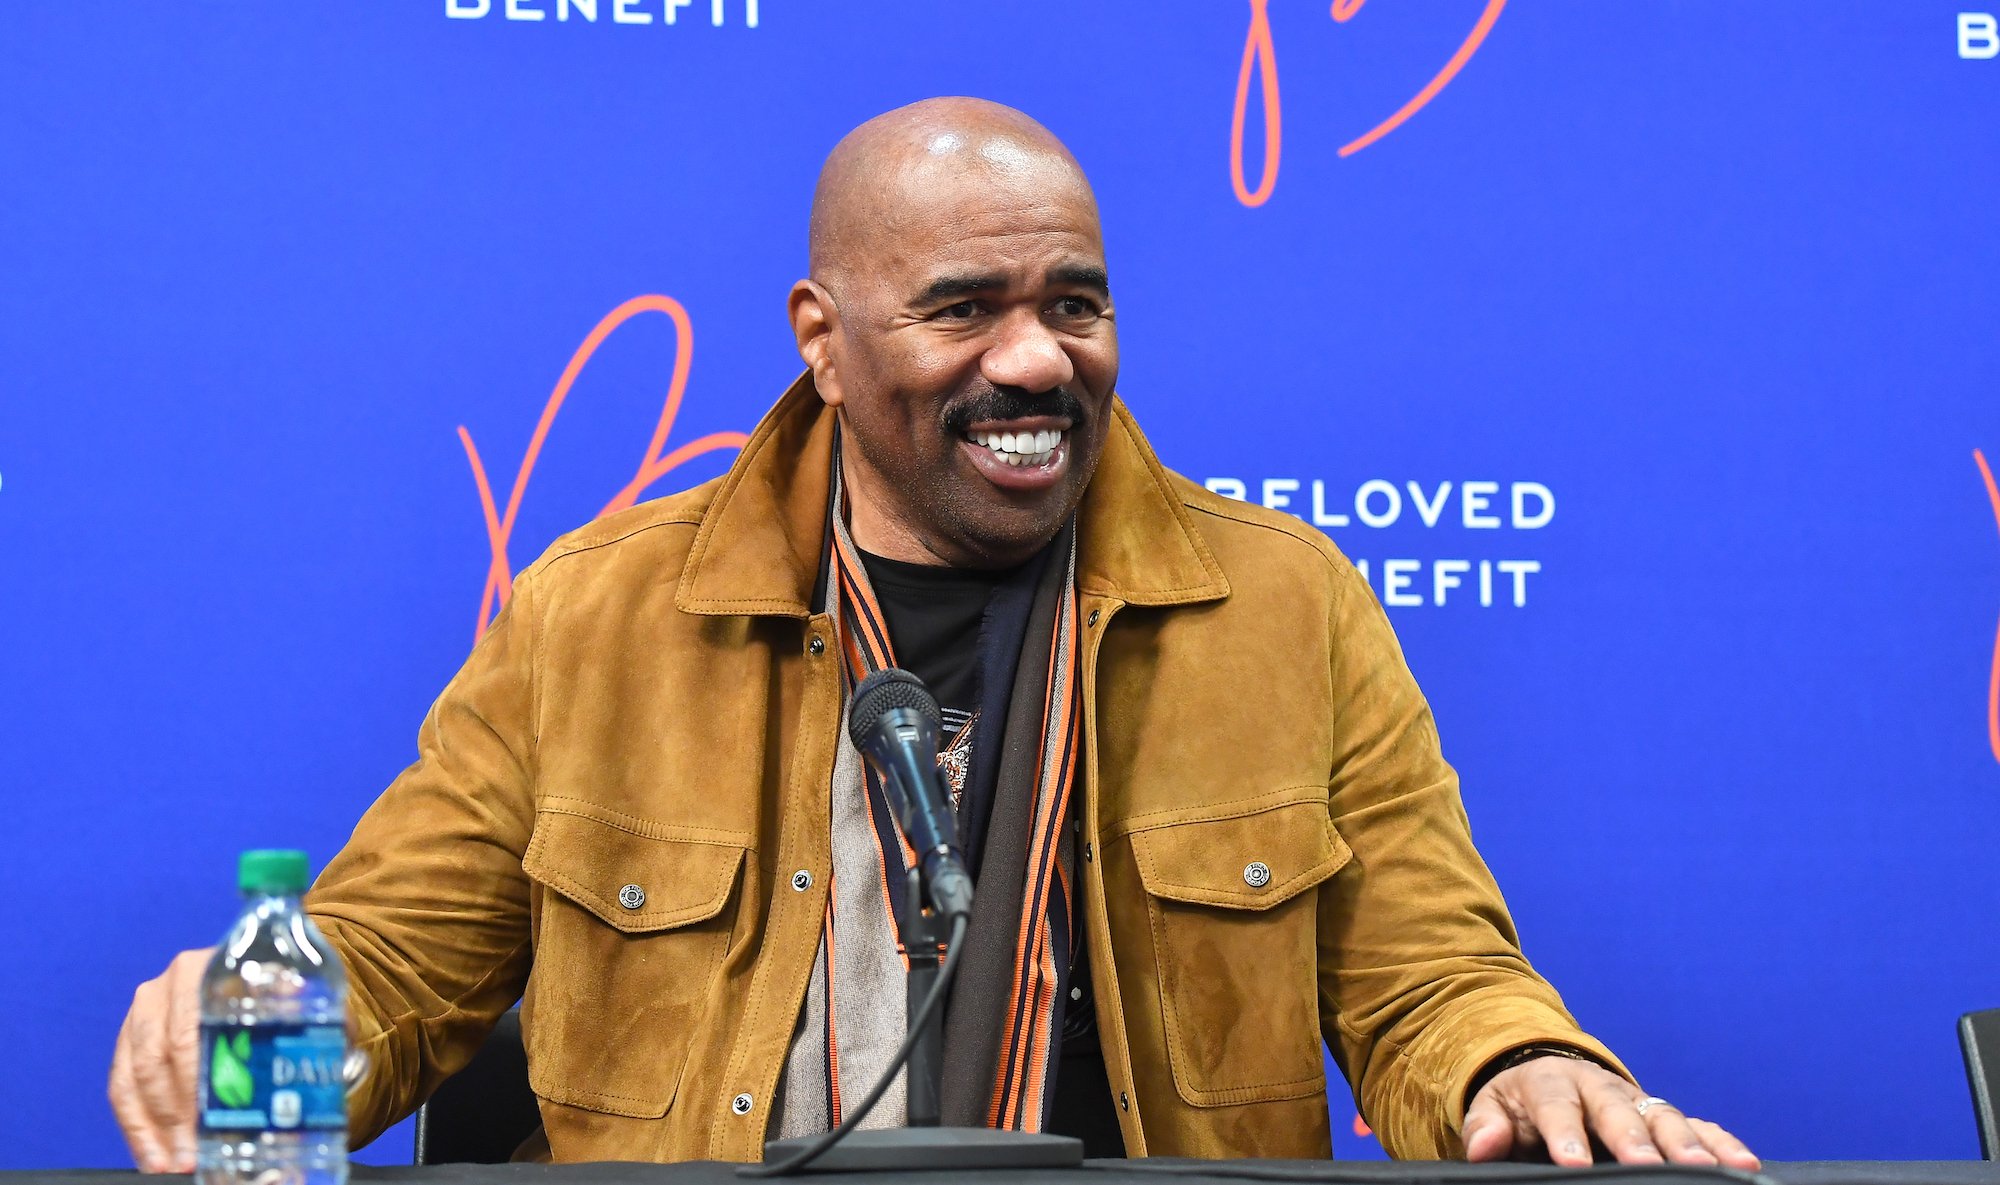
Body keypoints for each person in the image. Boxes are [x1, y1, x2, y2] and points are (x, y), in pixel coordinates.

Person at [109, 97, 1758, 1172]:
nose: (1039, 360)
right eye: (966, 307)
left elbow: (1429, 977)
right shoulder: (596, 615)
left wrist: (1517, 1062)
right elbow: (392, 964)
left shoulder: (1287, 607)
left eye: (1077, 302)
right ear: (824, 342)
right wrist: (259, 1015)